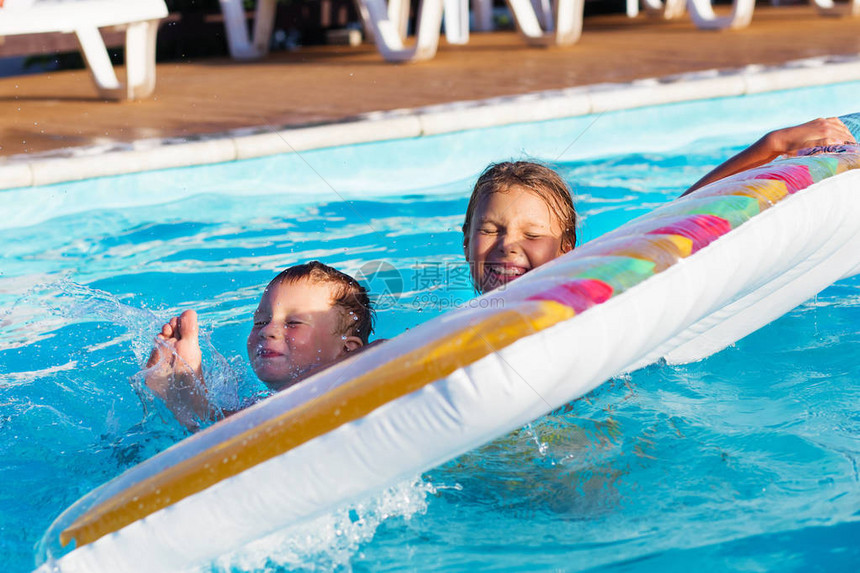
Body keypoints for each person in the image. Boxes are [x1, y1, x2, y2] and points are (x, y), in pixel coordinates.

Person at [463, 117, 856, 294]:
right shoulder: (449, 326)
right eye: (489, 230)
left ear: (568, 249)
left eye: (532, 234)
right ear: (466, 242)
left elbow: (678, 219)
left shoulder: (580, 288)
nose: (508, 246)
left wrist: (773, 146)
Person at [144, 261, 374, 430]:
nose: (267, 330)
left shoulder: (356, 380)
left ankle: (198, 410)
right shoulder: (255, 402)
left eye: (293, 322)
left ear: (347, 349)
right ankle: (174, 408)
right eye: (260, 322)